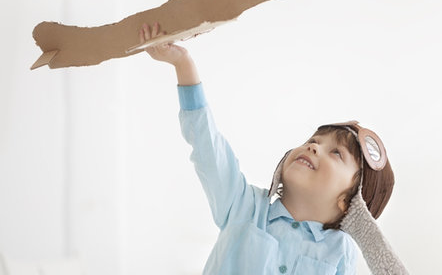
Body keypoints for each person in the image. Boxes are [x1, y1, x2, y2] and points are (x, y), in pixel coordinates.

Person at [139, 22, 408, 274]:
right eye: (313, 141)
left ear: (349, 202)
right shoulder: (243, 206)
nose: (314, 147)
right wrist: (183, 64)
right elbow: (208, 148)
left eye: (336, 152)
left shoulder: (341, 251)